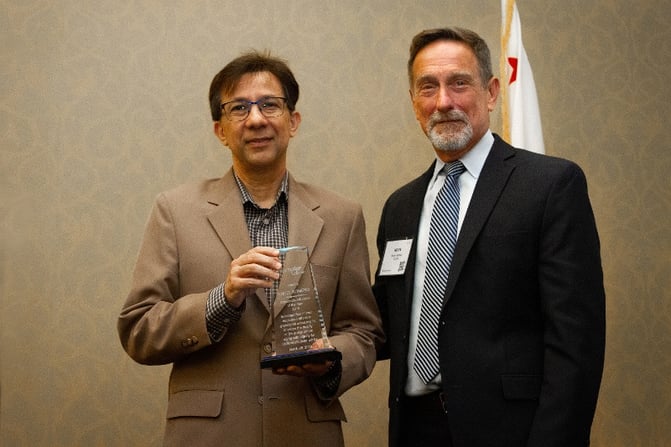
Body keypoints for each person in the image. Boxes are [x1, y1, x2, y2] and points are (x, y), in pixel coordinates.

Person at [118, 51, 383, 447]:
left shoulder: (342, 216)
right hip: (208, 435)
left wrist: (331, 358)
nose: (256, 119)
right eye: (239, 108)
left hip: (306, 432)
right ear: (220, 130)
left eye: (270, 105)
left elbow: (364, 333)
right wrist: (220, 300)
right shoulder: (175, 211)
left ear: (293, 122)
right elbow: (138, 329)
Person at [373, 27, 605, 447]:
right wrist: (324, 348)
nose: (443, 102)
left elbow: (576, 344)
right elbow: (385, 324)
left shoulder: (550, 185)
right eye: (428, 87)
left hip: (511, 431)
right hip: (414, 430)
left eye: (459, 83)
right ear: (413, 102)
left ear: (492, 92)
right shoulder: (399, 207)